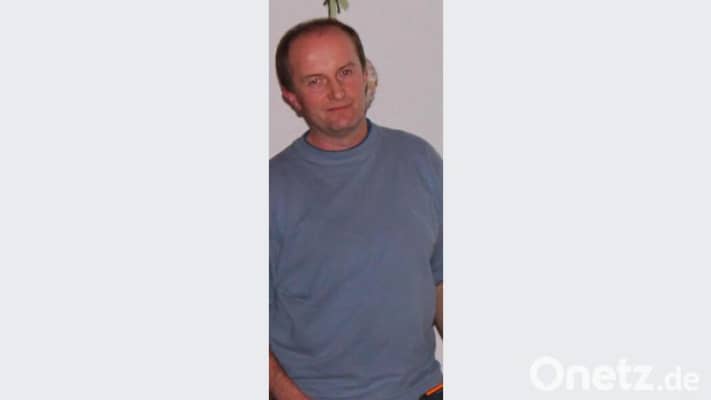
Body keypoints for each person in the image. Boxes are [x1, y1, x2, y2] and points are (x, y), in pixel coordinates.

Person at [270, 18, 443, 400]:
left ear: (365, 74)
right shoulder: (270, 189)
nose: (337, 91)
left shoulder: (420, 160)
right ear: (292, 98)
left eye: (345, 72)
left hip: (424, 389)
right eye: (315, 81)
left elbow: (442, 278)